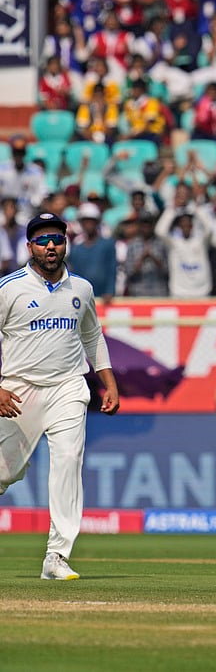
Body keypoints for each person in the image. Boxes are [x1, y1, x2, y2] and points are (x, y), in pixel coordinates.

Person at [0, 213, 119, 580]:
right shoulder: (8, 288)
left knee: (68, 459)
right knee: (6, 471)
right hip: (18, 391)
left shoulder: (81, 289)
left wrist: (108, 381)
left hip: (68, 386)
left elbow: (92, 336)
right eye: (42, 240)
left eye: (57, 239)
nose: (50, 246)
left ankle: (57, 556)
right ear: (29, 246)